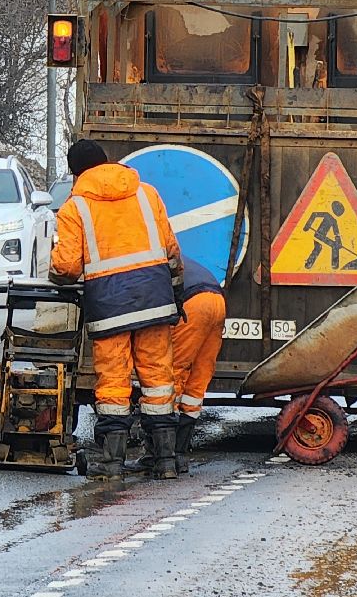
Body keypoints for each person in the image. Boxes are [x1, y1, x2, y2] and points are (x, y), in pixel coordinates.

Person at [50, 139, 184, 480]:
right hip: (155, 298)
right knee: (157, 380)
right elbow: (170, 248)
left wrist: (58, 274)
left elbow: (65, 267)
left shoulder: (75, 207)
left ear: (77, 172)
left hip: (110, 305)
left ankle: (112, 465)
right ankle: (165, 461)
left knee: (113, 384)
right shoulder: (146, 193)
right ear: (107, 162)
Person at [169, 260, 226, 473]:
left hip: (193, 303)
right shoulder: (179, 258)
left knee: (174, 372)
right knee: (198, 379)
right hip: (217, 301)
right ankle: (180, 453)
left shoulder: (149, 262)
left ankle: (164, 453)